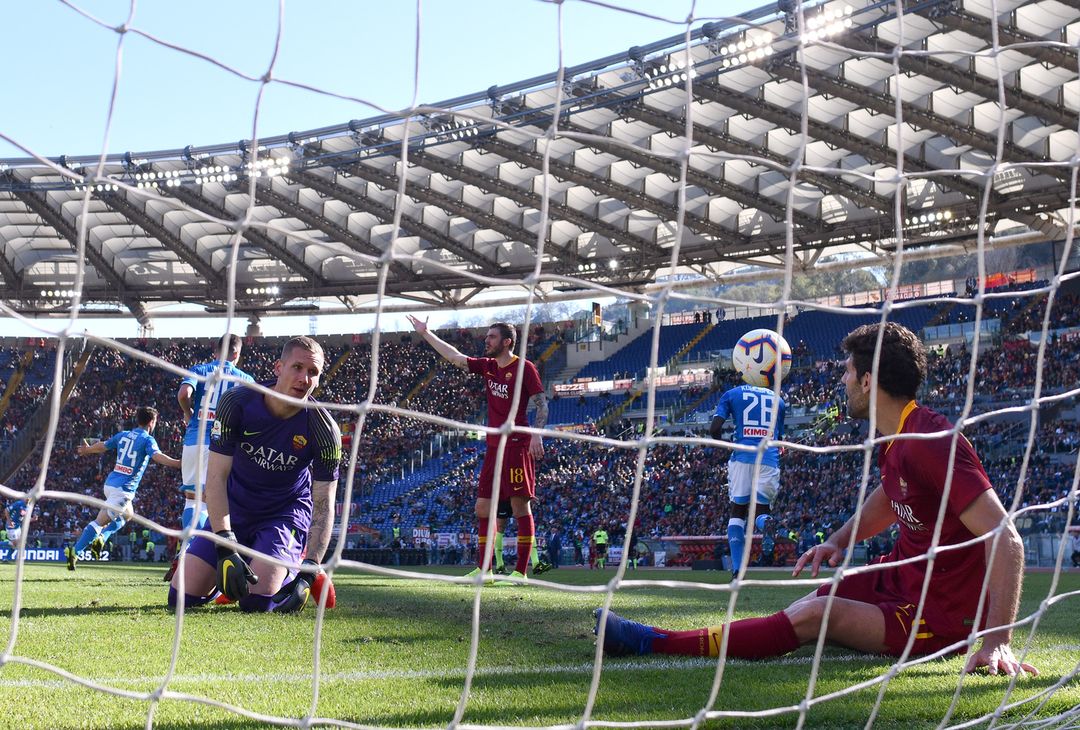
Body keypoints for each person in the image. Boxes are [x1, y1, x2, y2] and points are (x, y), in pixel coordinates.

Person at [596, 323, 1038, 677]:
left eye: (847, 371)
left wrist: (997, 640)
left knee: (814, 615)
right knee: (804, 607)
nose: (842, 379)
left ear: (868, 380)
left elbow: (1007, 538)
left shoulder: (930, 440)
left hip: (939, 616)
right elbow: (891, 495)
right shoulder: (898, 436)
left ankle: (653, 640)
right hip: (900, 581)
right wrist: (839, 541)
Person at [168, 336, 342, 613]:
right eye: (297, 367)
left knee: (257, 604)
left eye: (313, 372)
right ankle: (219, 581)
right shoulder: (237, 402)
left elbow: (324, 501)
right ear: (278, 368)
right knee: (179, 601)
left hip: (282, 515)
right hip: (234, 508)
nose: (304, 378)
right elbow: (215, 477)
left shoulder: (324, 430)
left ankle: (296, 567)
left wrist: (311, 569)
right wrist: (225, 543)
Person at [406, 317, 546, 584]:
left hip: (517, 444)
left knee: (519, 507)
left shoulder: (525, 368)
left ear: (506, 342)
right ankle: (485, 570)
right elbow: (455, 357)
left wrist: (536, 434)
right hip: (493, 447)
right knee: (483, 507)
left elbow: (542, 404)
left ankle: (521, 572)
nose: (486, 340)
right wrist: (426, 333)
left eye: (491, 337)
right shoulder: (488, 367)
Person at [165, 334, 254, 582]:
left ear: (216, 351)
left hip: (195, 439)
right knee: (215, 498)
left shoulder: (201, 369)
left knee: (192, 500)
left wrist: (188, 413)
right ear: (236, 354)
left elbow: (184, 393)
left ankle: (187, 550)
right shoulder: (246, 380)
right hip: (224, 445)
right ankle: (205, 555)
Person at [69, 407, 181, 570]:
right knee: (99, 522)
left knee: (128, 515)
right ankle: (75, 552)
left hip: (110, 484)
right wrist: (178, 463)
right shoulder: (148, 439)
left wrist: (88, 450)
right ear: (152, 422)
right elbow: (157, 456)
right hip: (123, 491)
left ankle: (102, 539)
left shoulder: (124, 435)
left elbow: (103, 445)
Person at [711, 362, 787, 579]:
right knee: (762, 512)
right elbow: (778, 439)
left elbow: (714, 428)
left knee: (738, 512)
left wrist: (726, 445)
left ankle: (737, 570)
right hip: (769, 459)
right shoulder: (779, 400)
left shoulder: (732, 394)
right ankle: (767, 525)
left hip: (742, 456)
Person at [492, 498, 553, 574]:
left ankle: (536, 563)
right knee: (500, 527)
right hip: (503, 496)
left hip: (517, 494)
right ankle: (499, 565)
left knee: (526, 524)